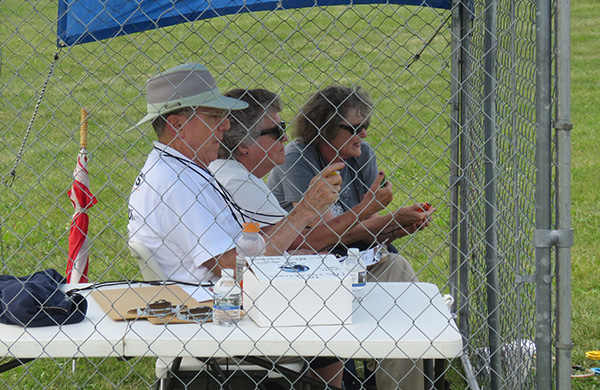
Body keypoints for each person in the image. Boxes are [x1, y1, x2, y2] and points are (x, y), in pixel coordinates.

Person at [127, 63, 344, 386]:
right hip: (220, 318)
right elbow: (233, 266)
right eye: (214, 118)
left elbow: (242, 249)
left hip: (223, 307)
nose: (226, 126)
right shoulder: (176, 182)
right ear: (177, 124)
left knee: (337, 295)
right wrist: (305, 211)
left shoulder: (180, 169)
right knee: (339, 320)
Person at [212, 87, 433, 389]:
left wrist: (394, 225)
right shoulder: (289, 163)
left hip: (325, 270)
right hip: (304, 287)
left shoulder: (359, 155)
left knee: (396, 267)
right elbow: (315, 240)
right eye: (275, 131)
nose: (364, 134)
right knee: (395, 277)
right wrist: (376, 212)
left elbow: (342, 233)